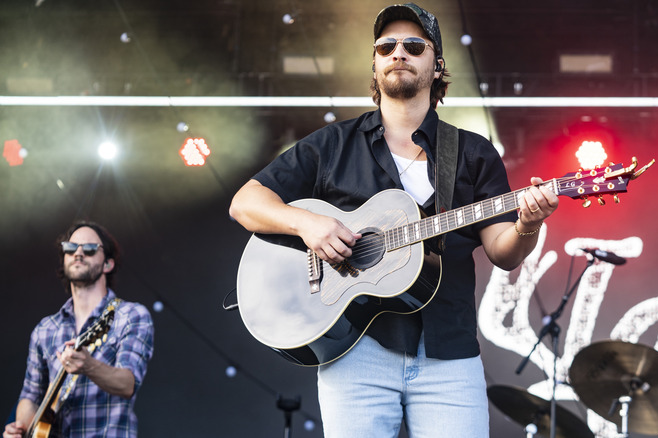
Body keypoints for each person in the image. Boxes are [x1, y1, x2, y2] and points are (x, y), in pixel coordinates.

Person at [229, 3, 558, 437]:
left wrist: (528, 224)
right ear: (375, 62)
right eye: (386, 46)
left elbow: (504, 252)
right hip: (356, 351)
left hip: (449, 354)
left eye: (413, 45)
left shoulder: (473, 152)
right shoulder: (334, 145)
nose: (398, 53)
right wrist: (307, 224)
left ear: (436, 64)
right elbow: (246, 203)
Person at [3, 221, 154, 438]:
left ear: (108, 264)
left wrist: (89, 366)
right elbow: (30, 395)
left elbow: (127, 384)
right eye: (71, 248)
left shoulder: (130, 316)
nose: (79, 253)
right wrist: (21, 430)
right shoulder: (45, 329)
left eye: (90, 248)